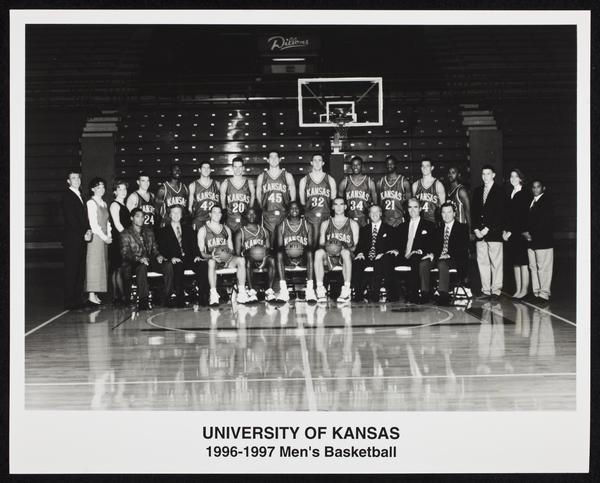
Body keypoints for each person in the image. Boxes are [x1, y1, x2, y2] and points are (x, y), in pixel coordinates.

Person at [120, 208, 174, 310]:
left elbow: (154, 249)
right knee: (142, 267)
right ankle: (143, 301)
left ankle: (167, 297)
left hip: (149, 261)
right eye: (137, 216)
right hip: (133, 263)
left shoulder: (149, 232)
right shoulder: (125, 233)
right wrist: (139, 258)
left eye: (142, 216)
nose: (141, 219)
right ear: (132, 218)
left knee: (168, 265)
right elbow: (125, 253)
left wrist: (158, 256)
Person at [197, 205, 251, 306]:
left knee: (241, 260)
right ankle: (213, 294)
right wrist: (212, 256)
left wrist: (226, 256)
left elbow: (231, 249)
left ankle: (242, 292)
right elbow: (201, 253)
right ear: (210, 214)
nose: (217, 214)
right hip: (213, 260)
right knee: (211, 262)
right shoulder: (203, 230)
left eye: (219, 212)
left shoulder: (226, 229)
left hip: (226, 259)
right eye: (214, 212)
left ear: (221, 215)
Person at [158, 204, 208, 307]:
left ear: (181, 215)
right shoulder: (163, 231)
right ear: (170, 215)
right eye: (174, 212)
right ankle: (180, 298)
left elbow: (194, 245)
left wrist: (197, 255)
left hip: (189, 259)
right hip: (176, 259)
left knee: (202, 265)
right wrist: (171, 258)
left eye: (178, 212)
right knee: (178, 266)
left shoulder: (188, 229)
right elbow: (162, 249)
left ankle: (203, 297)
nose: (176, 215)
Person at [313, 197, 359, 303]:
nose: (338, 207)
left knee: (345, 252)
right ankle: (320, 289)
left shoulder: (352, 223)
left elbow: (355, 246)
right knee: (318, 253)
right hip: (329, 256)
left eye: (341, 204)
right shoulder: (325, 223)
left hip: (345, 256)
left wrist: (341, 247)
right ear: (333, 207)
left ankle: (346, 289)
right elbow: (321, 243)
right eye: (336, 204)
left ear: (345, 207)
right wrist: (331, 248)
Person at [471, 164, 506, 299]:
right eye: (483, 174)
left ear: (494, 175)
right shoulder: (478, 191)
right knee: (483, 263)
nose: (485, 176)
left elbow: (500, 214)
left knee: (496, 263)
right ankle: (486, 290)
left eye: (488, 174)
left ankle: (496, 290)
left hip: (494, 233)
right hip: (480, 234)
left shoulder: (500, 191)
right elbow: (473, 212)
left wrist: (487, 229)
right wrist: (476, 229)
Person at [352, 205, 398, 302]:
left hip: (381, 258)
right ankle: (358, 294)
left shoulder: (389, 229)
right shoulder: (364, 229)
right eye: (372, 212)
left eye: (377, 212)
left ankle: (375, 294)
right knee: (356, 263)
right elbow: (360, 246)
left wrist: (383, 253)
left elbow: (392, 246)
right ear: (369, 214)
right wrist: (360, 253)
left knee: (380, 263)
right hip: (367, 257)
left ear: (381, 213)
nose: (374, 214)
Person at [60, 169, 92, 309]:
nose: (76, 180)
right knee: (72, 270)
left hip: (81, 238)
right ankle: (69, 301)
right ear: (68, 181)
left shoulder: (81, 195)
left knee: (80, 270)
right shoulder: (67, 196)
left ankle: (77, 299)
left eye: (78, 178)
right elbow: (71, 219)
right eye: (73, 178)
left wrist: (88, 230)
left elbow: (84, 218)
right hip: (72, 239)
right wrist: (83, 233)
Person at [275, 201, 317, 303]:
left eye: (297, 208)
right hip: (288, 259)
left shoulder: (308, 225)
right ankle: (283, 290)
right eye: (292, 208)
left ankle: (310, 290)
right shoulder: (281, 226)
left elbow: (310, 246)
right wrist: (291, 251)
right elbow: (280, 246)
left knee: (310, 253)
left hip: (302, 258)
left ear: (300, 210)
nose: (294, 210)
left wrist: (299, 250)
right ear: (288, 211)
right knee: (279, 254)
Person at [397, 198, 436, 303]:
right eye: (410, 207)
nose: (413, 210)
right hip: (404, 256)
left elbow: (432, 244)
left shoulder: (429, 225)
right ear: (407, 209)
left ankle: (414, 293)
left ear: (420, 209)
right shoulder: (402, 226)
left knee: (415, 258)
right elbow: (398, 244)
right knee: (389, 260)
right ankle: (394, 294)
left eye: (415, 207)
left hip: (419, 256)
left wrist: (421, 251)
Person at [256, 151, 296, 247]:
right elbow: (258, 196)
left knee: (284, 243)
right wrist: (264, 209)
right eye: (271, 157)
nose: (273, 159)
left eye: (276, 157)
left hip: (283, 214)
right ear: (268, 160)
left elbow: (293, 197)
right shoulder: (262, 176)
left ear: (280, 159)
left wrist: (289, 212)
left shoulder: (287, 175)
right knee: (268, 244)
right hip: (268, 216)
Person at [235, 207, 275, 302]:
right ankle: (251, 291)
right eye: (249, 214)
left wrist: (264, 259)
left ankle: (269, 291)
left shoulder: (264, 231)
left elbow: (268, 249)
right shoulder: (241, 232)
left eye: (254, 214)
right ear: (245, 216)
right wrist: (249, 253)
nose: (252, 216)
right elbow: (237, 253)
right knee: (248, 261)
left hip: (262, 258)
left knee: (272, 260)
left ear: (257, 216)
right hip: (249, 258)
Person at [524, 180, 554, 303]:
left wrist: (531, 233)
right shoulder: (532, 201)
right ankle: (536, 292)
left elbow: (545, 222)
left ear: (543, 188)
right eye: (533, 187)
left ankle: (544, 293)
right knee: (533, 267)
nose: (535, 189)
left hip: (543, 241)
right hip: (531, 241)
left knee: (543, 267)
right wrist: (526, 232)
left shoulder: (547, 201)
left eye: (538, 187)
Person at [503, 169, 531, 299]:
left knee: (523, 262)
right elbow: (508, 215)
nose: (513, 178)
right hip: (511, 233)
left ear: (520, 178)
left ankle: (524, 289)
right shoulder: (510, 193)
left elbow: (522, 216)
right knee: (515, 262)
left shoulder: (525, 193)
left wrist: (511, 231)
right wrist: (505, 230)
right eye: (511, 176)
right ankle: (518, 289)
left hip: (520, 232)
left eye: (516, 176)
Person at [434, 202, 469, 306]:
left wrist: (448, 255)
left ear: (454, 213)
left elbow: (463, 248)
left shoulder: (462, 228)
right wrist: (432, 254)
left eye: (449, 212)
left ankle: (443, 294)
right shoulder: (438, 229)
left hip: (455, 259)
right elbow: (434, 247)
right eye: (443, 212)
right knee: (424, 263)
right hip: (439, 258)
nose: (446, 215)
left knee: (442, 263)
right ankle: (425, 293)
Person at [299, 153, 337, 247]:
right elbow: (302, 202)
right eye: (315, 160)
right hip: (310, 217)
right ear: (311, 163)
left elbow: (333, 200)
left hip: (325, 216)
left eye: (319, 160)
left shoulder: (330, 179)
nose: (317, 162)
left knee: (325, 245)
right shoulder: (304, 180)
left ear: (323, 163)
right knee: (311, 245)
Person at [85, 177, 112, 305]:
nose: (101, 189)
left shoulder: (104, 203)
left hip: (104, 238)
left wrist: (109, 235)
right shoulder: (91, 203)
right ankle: (91, 294)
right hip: (96, 238)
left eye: (103, 187)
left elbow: (107, 222)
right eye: (98, 187)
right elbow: (94, 225)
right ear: (92, 189)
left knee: (101, 265)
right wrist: (104, 237)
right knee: (94, 265)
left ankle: (95, 293)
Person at [339, 155, 378, 228]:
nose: (355, 167)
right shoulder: (345, 182)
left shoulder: (369, 182)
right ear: (351, 166)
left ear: (362, 166)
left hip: (365, 220)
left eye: (358, 165)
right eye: (353, 165)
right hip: (349, 219)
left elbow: (375, 204)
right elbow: (339, 204)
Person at [108, 179, 131, 305]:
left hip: (123, 239)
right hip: (118, 240)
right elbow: (117, 224)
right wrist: (129, 237)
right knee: (117, 269)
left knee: (120, 269)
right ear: (115, 191)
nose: (123, 191)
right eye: (120, 189)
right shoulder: (115, 205)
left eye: (124, 189)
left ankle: (120, 297)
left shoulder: (123, 205)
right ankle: (118, 297)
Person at [220, 156, 255, 233]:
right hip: (230, 221)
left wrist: (249, 209)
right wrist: (224, 213)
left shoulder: (249, 183)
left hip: (244, 220)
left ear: (243, 168)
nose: (238, 169)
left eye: (240, 167)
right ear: (232, 168)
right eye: (235, 167)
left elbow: (253, 196)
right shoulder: (226, 183)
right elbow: (222, 199)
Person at [377, 155, 411, 228]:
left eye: (391, 164)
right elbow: (379, 203)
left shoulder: (404, 182)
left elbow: (409, 204)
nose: (389, 166)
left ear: (395, 165)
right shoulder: (380, 182)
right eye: (387, 164)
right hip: (385, 220)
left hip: (399, 220)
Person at [188, 161, 220, 231]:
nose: (206, 170)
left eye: (208, 168)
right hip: (199, 220)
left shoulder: (217, 184)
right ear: (199, 170)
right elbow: (190, 208)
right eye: (204, 168)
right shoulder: (193, 185)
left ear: (210, 170)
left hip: (213, 220)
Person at [412, 159, 446, 224]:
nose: (424, 168)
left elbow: (443, 208)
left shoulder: (438, 185)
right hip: (419, 222)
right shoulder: (415, 185)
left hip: (434, 222)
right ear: (421, 168)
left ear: (432, 168)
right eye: (423, 166)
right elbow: (413, 206)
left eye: (427, 166)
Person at [155, 164, 189, 228]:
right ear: (170, 172)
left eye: (179, 170)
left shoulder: (184, 188)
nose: (177, 172)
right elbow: (157, 209)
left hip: (181, 223)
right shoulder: (163, 189)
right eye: (175, 170)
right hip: (167, 223)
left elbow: (186, 208)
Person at [446, 166, 471, 231]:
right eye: (449, 173)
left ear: (458, 175)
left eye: (453, 173)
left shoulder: (461, 191)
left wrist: (470, 231)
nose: (450, 175)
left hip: (461, 227)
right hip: (451, 227)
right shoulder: (448, 191)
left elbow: (468, 212)